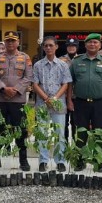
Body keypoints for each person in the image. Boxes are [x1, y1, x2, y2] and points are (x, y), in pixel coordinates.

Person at [67, 33, 102, 172]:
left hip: (100, 103)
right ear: (85, 45)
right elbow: (70, 82)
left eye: (95, 42)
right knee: (80, 132)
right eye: (90, 42)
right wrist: (69, 100)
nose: (92, 44)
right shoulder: (76, 61)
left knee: (100, 132)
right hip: (80, 103)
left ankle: (99, 162)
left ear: (100, 45)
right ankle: (80, 161)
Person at [0, 31, 33, 171]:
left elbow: (28, 77)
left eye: (13, 40)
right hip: (0, 99)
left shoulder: (25, 57)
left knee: (20, 130)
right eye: (8, 40)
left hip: (17, 99)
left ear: (18, 42)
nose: (10, 43)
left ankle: (23, 160)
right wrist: (4, 89)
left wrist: (15, 90)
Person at [32, 36, 72, 172]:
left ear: (56, 47)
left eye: (51, 45)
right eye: (46, 46)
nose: (48, 48)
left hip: (58, 103)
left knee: (59, 133)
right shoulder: (38, 65)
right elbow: (35, 84)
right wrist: (46, 99)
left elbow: (65, 84)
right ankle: (43, 161)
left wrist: (54, 98)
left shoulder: (63, 65)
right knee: (42, 132)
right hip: (42, 103)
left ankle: (60, 160)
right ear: (43, 48)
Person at [59, 38, 80, 142]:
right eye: (69, 46)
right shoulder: (60, 60)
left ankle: (77, 146)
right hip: (63, 96)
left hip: (77, 96)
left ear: (77, 47)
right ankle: (64, 144)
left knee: (77, 123)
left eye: (73, 46)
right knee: (63, 123)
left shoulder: (81, 59)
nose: (71, 48)